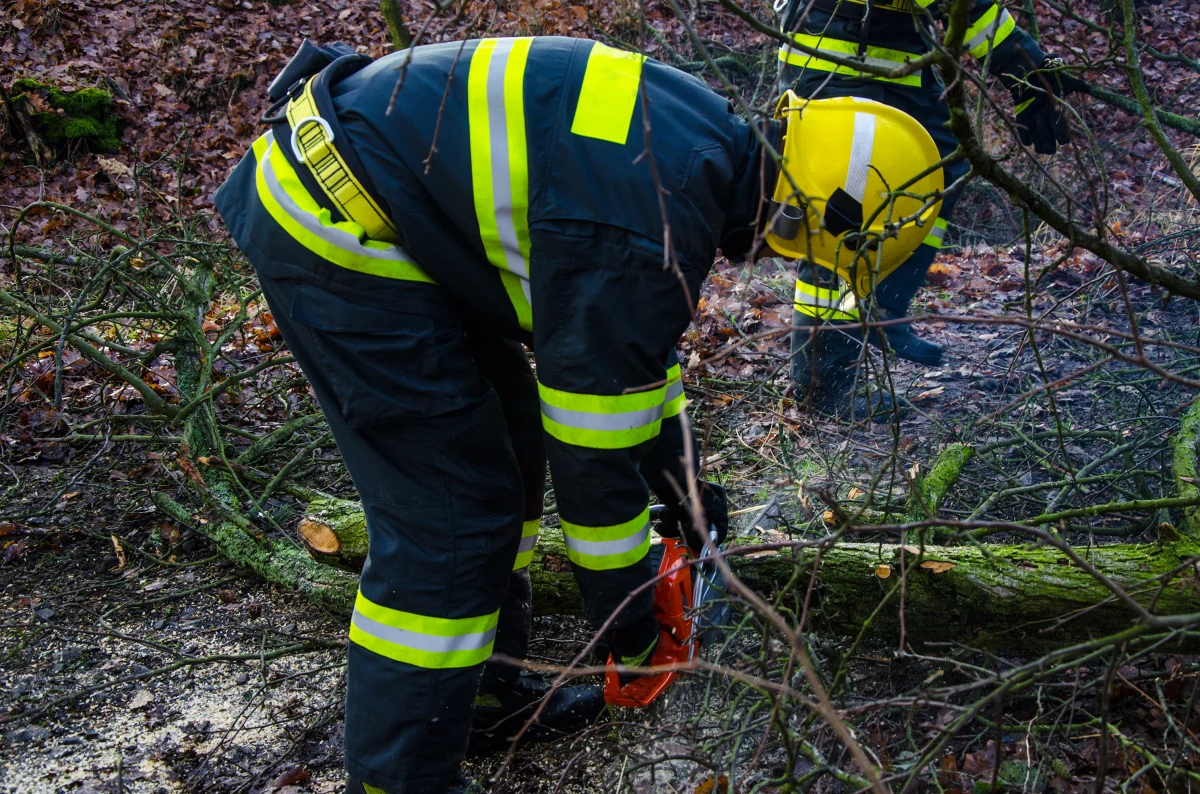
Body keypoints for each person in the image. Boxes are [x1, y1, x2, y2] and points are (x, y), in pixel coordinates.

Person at [214, 35, 942, 793]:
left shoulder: (700, 147)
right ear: (806, 211)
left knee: (510, 448)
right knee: (453, 517)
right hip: (337, 225)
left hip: (387, 209)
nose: (778, 258)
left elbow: (629, 371)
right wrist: (627, 630)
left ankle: (480, 695)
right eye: (803, 247)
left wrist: (685, 494)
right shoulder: (646, 228)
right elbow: (593, 465)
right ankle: (398, 777)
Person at [776, 0, 1076, 417]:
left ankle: (883, 305)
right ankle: (823, 387)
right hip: (831, 54)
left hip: (898, 58)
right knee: (839, 218)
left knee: (943, 165)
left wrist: (1026, 69)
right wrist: (1020, 61)